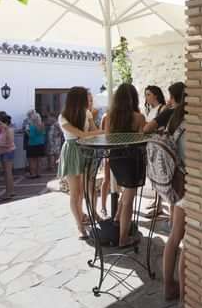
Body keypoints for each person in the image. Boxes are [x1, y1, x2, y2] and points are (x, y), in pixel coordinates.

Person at [104, 83, 146, 248]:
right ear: (133, 98)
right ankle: (123, 239)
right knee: (129, 198)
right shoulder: (139, 117)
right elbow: (142, 141)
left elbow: (107, 139)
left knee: (126, 192)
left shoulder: (109, 117)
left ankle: (116, 218)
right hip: (133, 160)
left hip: (116, 159)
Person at [58, 87, 101, 239]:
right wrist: (98, 132)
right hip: (72, 151)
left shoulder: (87, 113)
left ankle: (84, 216)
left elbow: (94, 131)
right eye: (85, 98)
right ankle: (79, 225)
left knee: (82, 191)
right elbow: (83, 134)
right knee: (74, 193)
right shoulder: (63, 117)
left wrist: (96, 132)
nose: (88, 100)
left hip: (85, 150)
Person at [161, 91, 187, 301]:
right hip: (190, 186)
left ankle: (169, 284)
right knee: (188, 241)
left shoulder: (176, 121)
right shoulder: (192, 127)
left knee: (175, 236)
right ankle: (185, 296)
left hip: (177, 183)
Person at [0, 113, 16, 200]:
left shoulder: (9, 130)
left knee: (8, 173)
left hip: (7, 152)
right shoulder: (3, 130)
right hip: (4, 152)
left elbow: (10, 142)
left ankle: (9, 192)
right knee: (7, 173)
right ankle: (10, 191)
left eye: (0, 123)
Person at [25, 110, 46, 179]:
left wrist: (27, 131)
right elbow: (43, 134)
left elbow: (31, 136)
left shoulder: (31, 126)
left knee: (32, 161)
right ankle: (39, 173)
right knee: (39, 160)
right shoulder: (42, 125)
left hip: (32, 144)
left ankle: (33, 174)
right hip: (41, 144)